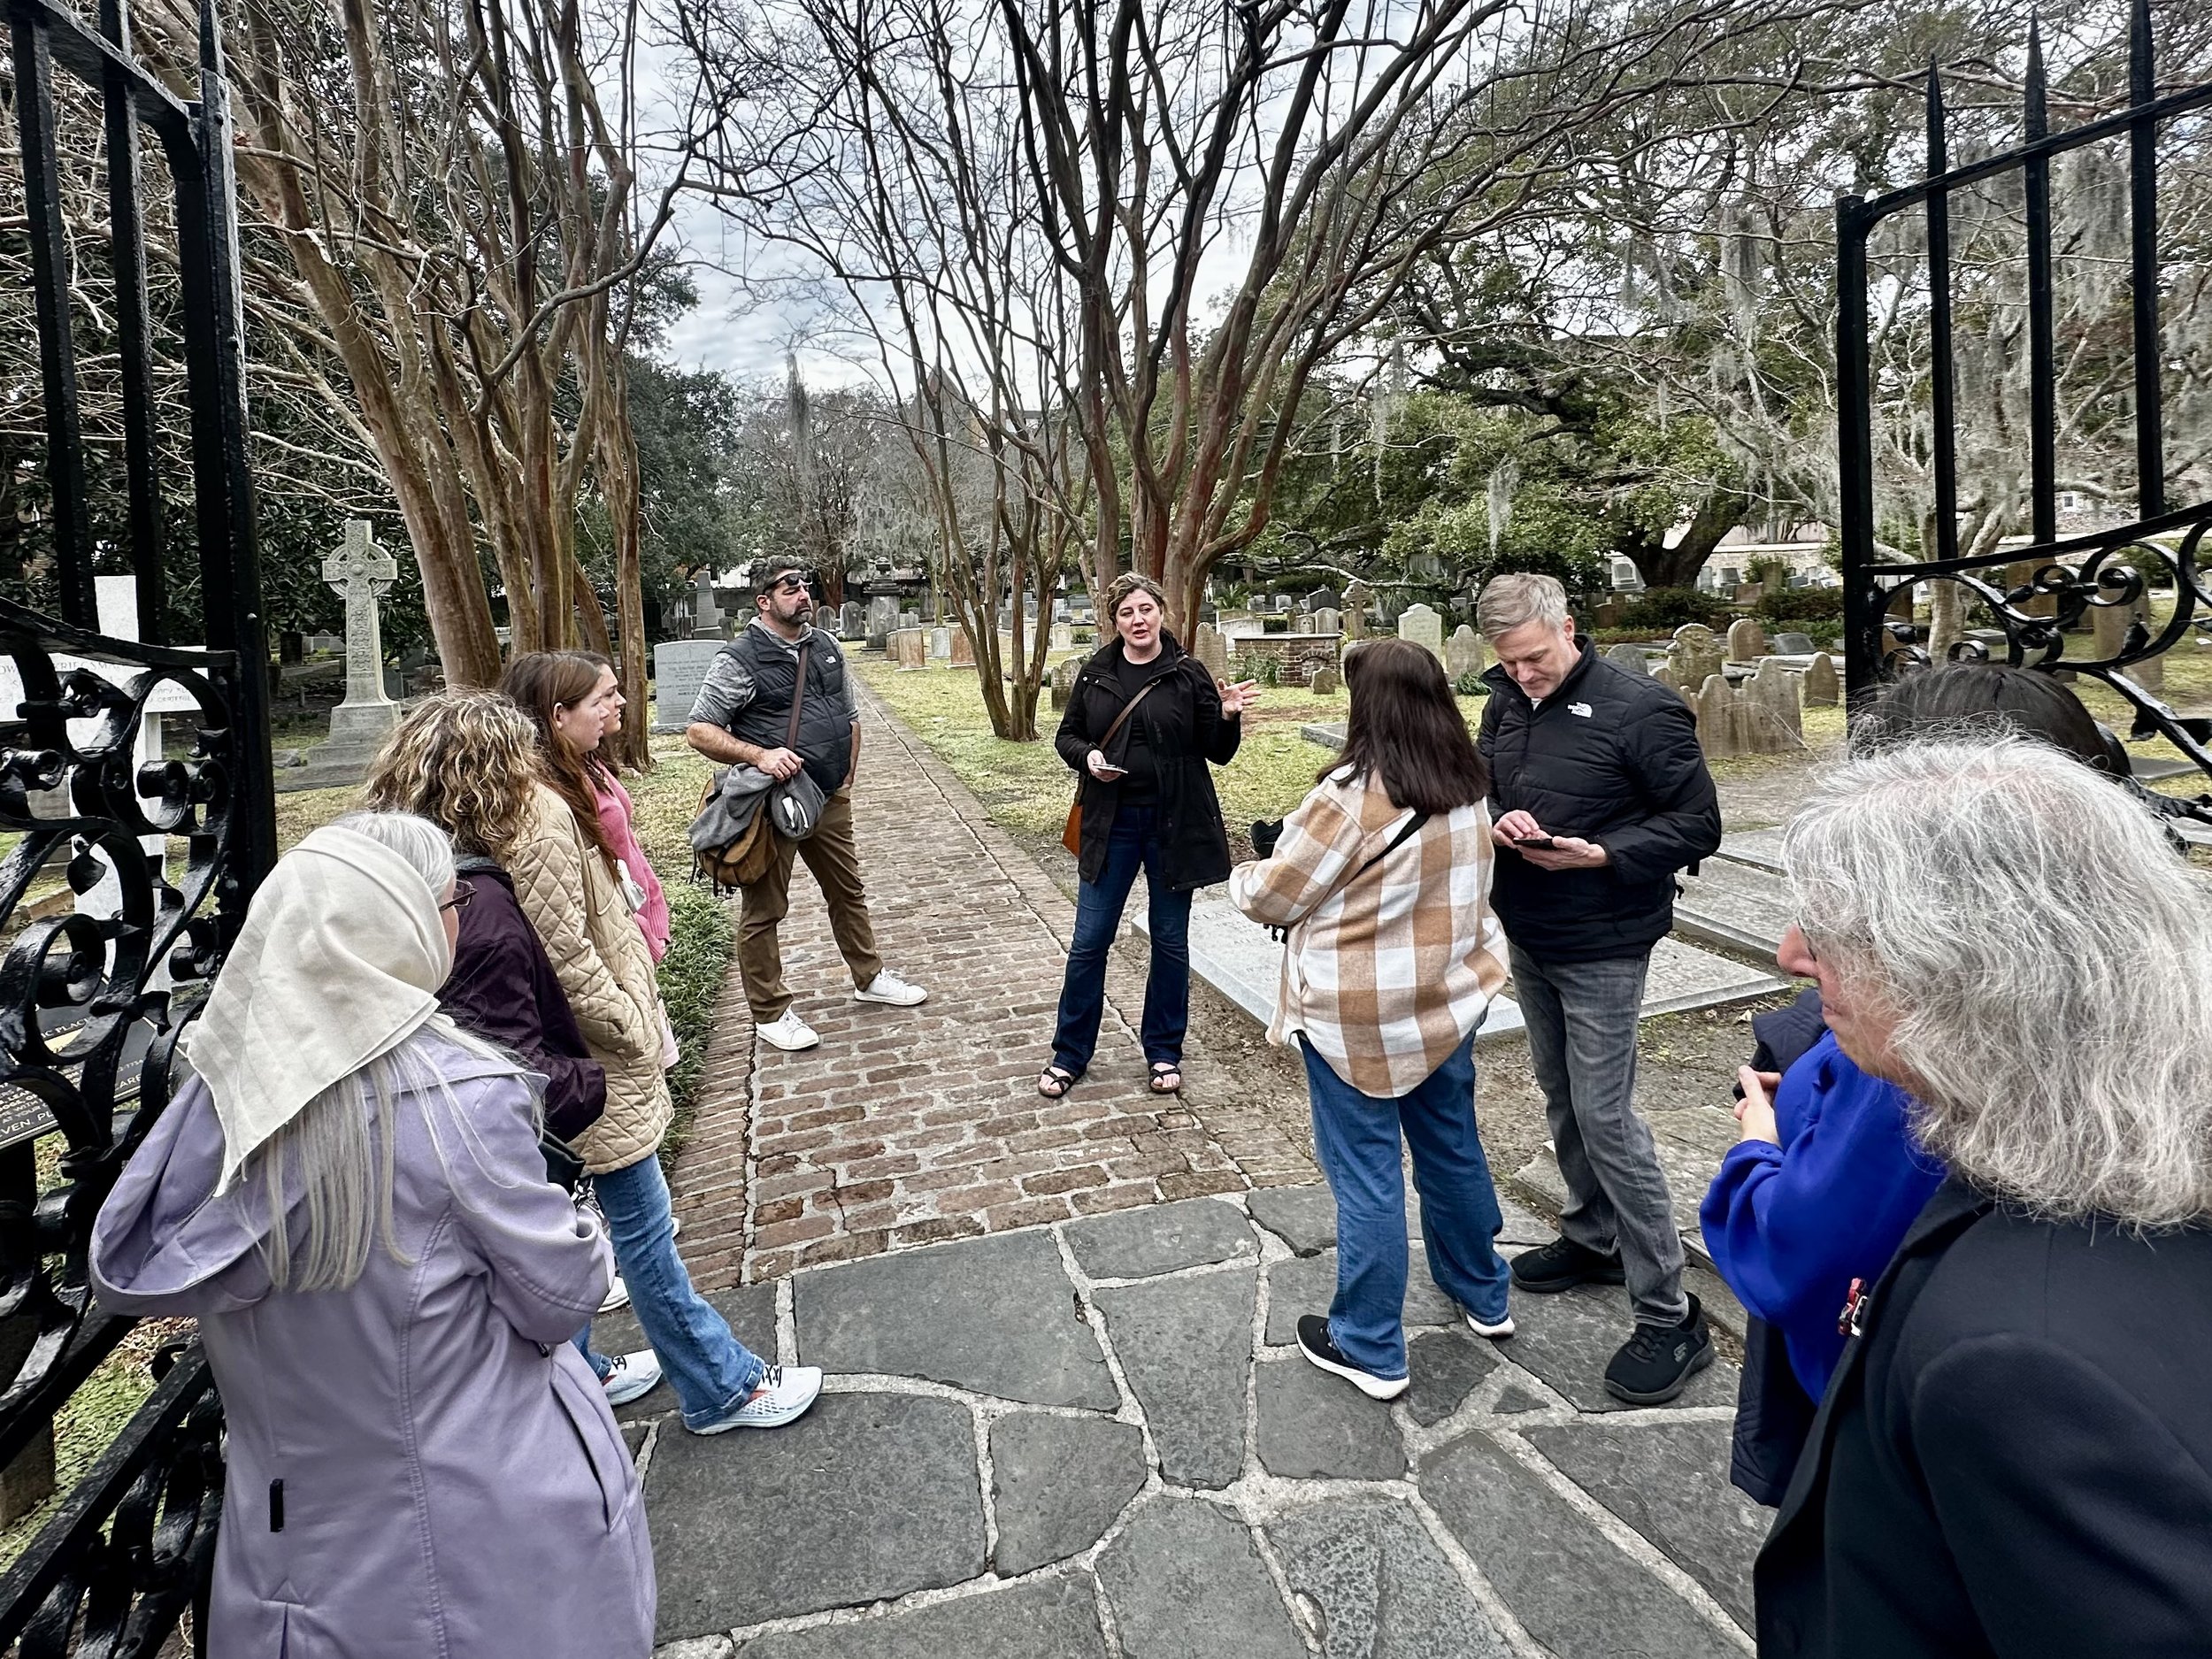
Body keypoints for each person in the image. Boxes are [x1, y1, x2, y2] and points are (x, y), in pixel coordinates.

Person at [89, 815, 655, 1656]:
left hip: (290, 1551)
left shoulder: (219, 1102)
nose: (461, 921)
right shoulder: (461, 1098)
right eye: (452, 903)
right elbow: (560, 1296)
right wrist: (582, 1226)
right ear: (404, 924)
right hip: (485, 1529)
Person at [1753, 737, 2212, 1656]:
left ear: (1961, 971)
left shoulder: (2021, 1363)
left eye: (1831, 933)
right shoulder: (2104, 1141)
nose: (1792, 954)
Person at [1702, 662, 2126, 1503]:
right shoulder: (2112, 994)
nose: (1793, 950)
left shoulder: (1917, 1057)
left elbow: (1796, 1256)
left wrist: (1757, 1149)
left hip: (1875, 1426)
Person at [501, 650, 822, 1434]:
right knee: (644, 1231)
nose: (620, 705)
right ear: (557, 716)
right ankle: (721, 1388)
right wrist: (632, 1023)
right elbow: (564, 954)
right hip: (596, 1051)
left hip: (597, 1042)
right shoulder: (542, 812)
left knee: (575, 1222)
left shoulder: (569, 782)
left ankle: (574, 1374)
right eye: (603, 698)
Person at [1229, 639, 1514, 1400]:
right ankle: (1484, 1291)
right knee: (1451, 1147)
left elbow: (1273, 895)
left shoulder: (1350, 797)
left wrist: (1243, 871)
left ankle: (1370, 1342)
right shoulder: (1468, 782)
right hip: (1446, 1003)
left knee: (1367, 1174)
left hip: (1356, 1017)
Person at [363, 690, 663, 1406]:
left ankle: (584, 1371)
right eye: (520, 764)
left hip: (433, 1126)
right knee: (623, 1239)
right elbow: (512, 1060)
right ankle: (706, 1386)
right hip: (515, 1115)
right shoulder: (477, 905)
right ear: (491, 776)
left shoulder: (405, 877)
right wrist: (604, 1061)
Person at [1475, 572, 1722, 1403]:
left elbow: (1698, 823)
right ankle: (1593, 1235)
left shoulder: (1641, 708)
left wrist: (1604, 853)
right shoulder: (1506, 701)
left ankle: (1670, 1312)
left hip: (1607, 938)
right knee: (1561, 1095)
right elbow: (1486, 783)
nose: (1523, 675)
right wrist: (1499, 817)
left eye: (1534, 659)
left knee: (1607, 1115)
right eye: (1509, 662)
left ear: (1568, 628)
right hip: (1530, 926)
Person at [683, 564, 927, 1052]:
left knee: (847, 890)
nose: (802, 593)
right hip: (774, 803)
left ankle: (869, 977)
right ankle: (770, 1012)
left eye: (805, 586)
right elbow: (699, 730)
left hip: (828, 795)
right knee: (765, 908)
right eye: (789, 587)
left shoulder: (826, 646)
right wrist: (759, 755)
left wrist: (847, 777)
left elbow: (850, 715)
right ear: (764, 601)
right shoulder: (740, 658)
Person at [1043, 572, 1259, 1099]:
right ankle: (1070, 1053)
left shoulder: (1188, 674)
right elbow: (1067, 736)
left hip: (1173, 825)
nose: (1138, 620)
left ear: (1162, 612)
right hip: (1110, 824)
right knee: (1089, 942)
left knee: (1169, 940)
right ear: (1114, 621)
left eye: (1146, 609)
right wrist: (1089, 757)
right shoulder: (1096, 673)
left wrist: (1227, 715)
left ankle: (1164, 1050)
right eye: (1126, 613)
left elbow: (1218, 751)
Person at [568, 649, 672, 963]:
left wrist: (655, 912)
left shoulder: (591, 762)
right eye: (607, 695)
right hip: (621, 937)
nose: (620, 702)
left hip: (640, 926)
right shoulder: (566, 783)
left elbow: (630, 848)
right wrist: (640, 927)